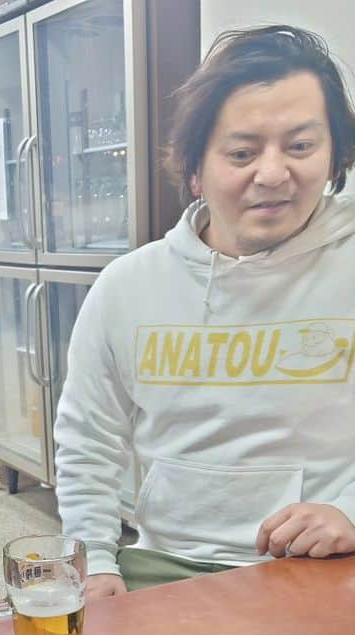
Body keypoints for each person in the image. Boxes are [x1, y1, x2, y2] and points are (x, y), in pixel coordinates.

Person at [54, 25, 355, 600]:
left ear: (336, 153)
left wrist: (349, 512)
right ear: (195, 168)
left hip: (324, 568)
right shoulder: (127, 286)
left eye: (300, 146)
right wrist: (94, 561)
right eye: (242, 153)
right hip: (165, 567)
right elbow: (88, 439)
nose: (272, 173)